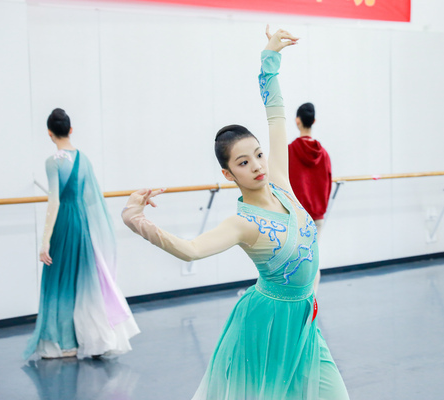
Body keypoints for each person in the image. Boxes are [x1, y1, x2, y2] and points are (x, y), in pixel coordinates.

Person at [122, 27, 349, 399]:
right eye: (243, 162)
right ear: (229, 174)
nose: (257, 165)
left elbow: (276, 119)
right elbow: (191, 250)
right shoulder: (242, 223)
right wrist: (137, 222)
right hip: (268, 324)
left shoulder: (281, 183)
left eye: (258, 155)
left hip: (304, 322)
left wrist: (269, 61)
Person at [24, 108, 140, 360]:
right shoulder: (83, 159)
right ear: (71, 130)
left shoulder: (53, 161)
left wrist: (45, 242)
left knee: (58, 283)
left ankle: (64, 344)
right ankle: (89, 339)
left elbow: (54, 201)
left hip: (64, 223)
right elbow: (91, 200)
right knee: (82, 282)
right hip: (82, 225)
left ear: (49, 133)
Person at [288, 102, 332, 293]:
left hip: (296, 216)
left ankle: (297, 299)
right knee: (313, 257)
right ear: (313, 121)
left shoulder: (289, 151)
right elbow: (328, 183)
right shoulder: (324, 154)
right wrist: (320, 209)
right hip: (317, 215)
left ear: (297, 121)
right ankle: (312, 299)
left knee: (293, 259)